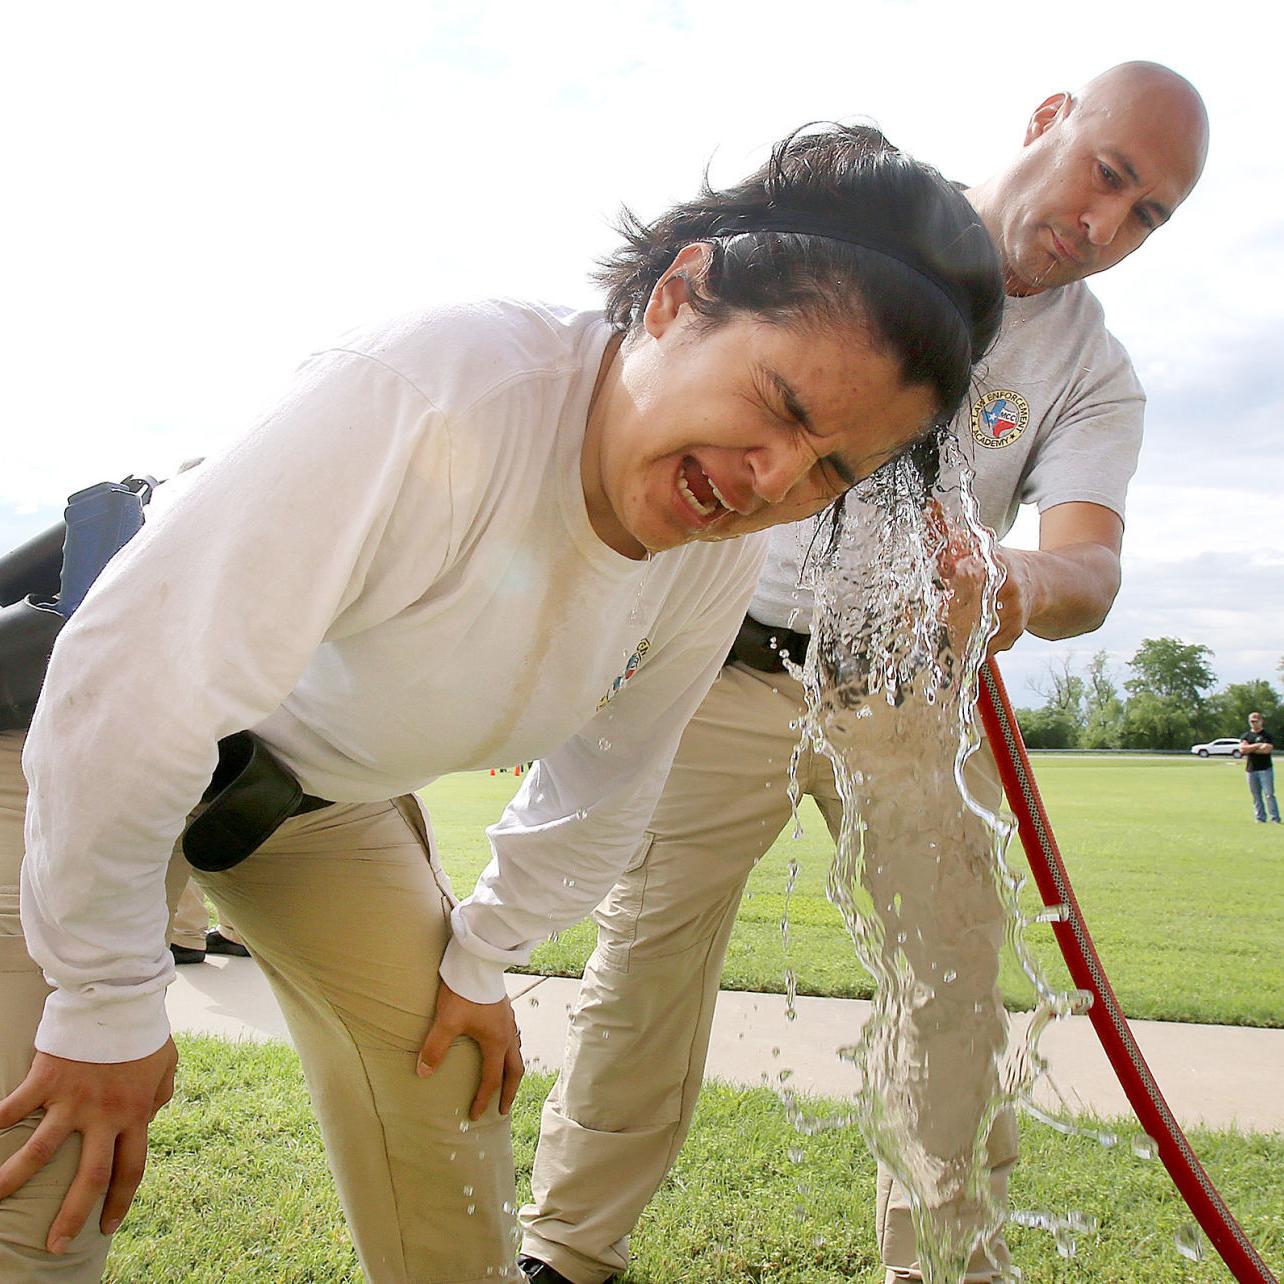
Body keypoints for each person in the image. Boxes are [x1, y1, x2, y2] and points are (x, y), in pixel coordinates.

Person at [0, 123, 1003, 1284]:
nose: (772, 479)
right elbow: (140, 687)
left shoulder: (712, 557)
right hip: (70, 755)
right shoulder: (438, 387)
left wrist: (481, 958)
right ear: (679, 301)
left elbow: (609, 780)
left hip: (311, 798)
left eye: (831, 469)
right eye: (777, 402)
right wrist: (108, 999)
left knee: (445, 1086)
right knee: (49, 1169)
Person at [519, 62, 1210, 1284]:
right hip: (719, 659)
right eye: (1109, 174)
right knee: (645, 959)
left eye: (1148, 215)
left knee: (953, 978)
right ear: (1050, 117)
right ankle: (567, 1253)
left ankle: (944, 1261)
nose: (1106, 227)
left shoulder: (1092, 370)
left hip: (906, 687)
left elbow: (1089, 572)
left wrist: (1006, 581)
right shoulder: (856, 220)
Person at [1240, 712, 1279, 823]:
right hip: (1251, 770)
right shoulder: (1246, 736)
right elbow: (1243, 750)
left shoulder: (1266, 735)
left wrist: (1250, 747)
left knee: (1269, 794)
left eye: (1256, 721)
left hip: (1265, 769)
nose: (1254, 723)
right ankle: (1260, 817)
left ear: (1261, 721)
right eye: (1252, 721)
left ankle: (1275, 817)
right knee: (1256, 795)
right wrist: (1258, 746)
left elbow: (1267, 749)